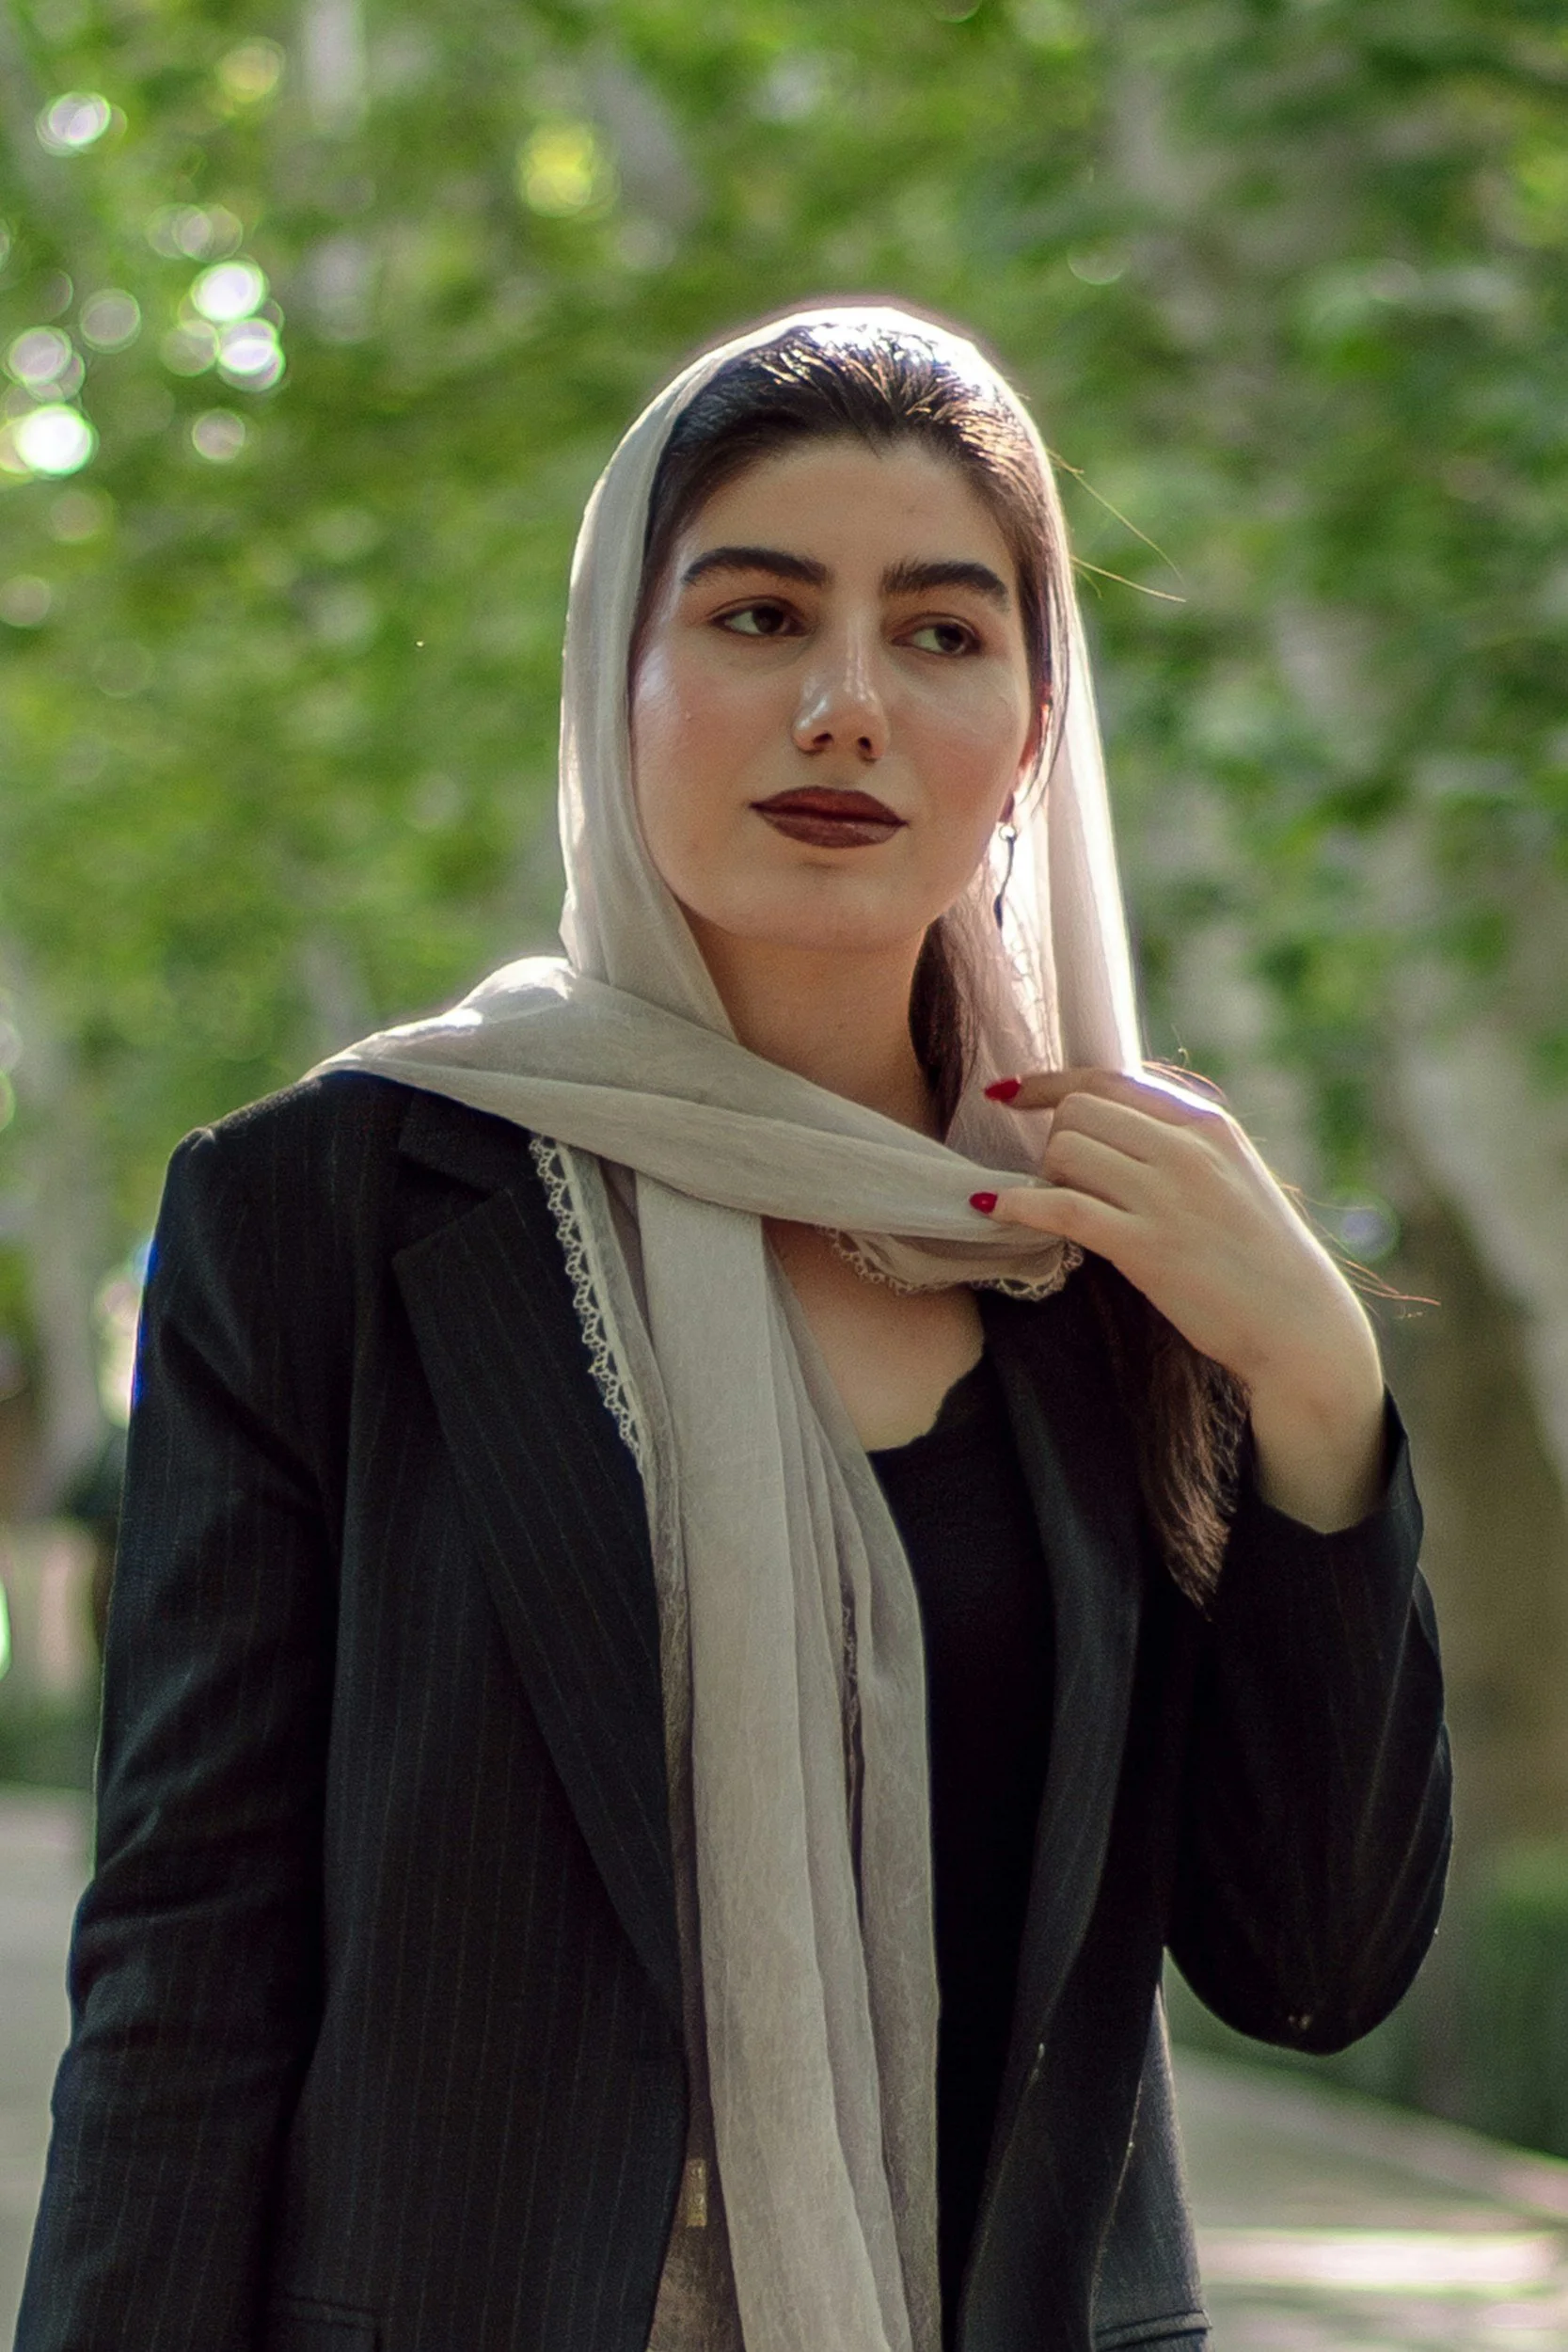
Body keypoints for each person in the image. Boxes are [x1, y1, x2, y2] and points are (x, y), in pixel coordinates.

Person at [17, 306, 1449, 2352]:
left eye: (941, 634)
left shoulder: (1100, 1248)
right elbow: (185, 1954)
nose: (845, 704)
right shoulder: (325, 1211)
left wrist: (1312, 1388)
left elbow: (1306, 1965)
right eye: (761, 615)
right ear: (618, 678)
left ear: (1034, 729)